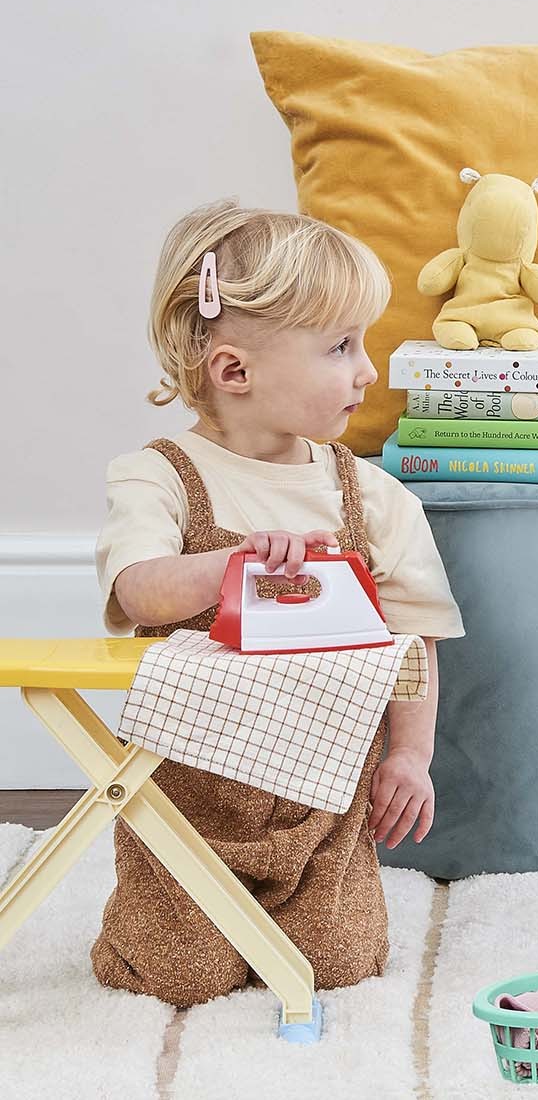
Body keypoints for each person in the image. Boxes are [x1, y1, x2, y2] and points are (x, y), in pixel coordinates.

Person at [92, 199, 465, 1004]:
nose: (368, 370)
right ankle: (158, 917)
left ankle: (303, 911)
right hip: (186, 800)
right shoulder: (157, 476)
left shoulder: (375, 499)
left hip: (325, 807)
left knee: (339, 965)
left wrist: (410, 755)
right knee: (176, 974)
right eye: (340, 346)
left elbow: (415, 640)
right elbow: (137, 588)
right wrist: (227, 568)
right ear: (235, 372)